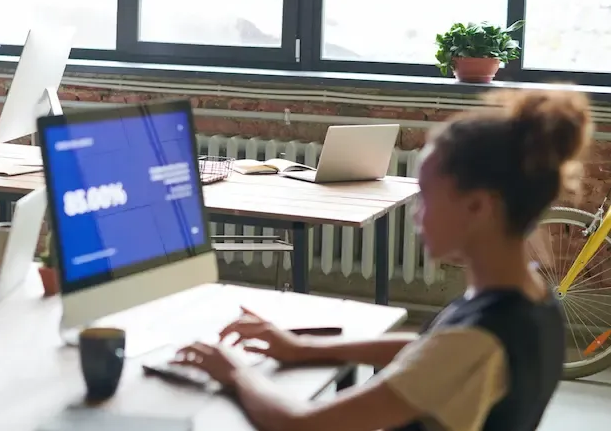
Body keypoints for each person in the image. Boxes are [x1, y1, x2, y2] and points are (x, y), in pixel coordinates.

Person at [172, 89, 589, 431]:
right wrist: (301, 348)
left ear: (478, 207)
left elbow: (300, 423)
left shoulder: (478, 339)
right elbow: (430, 348)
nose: (417, 216)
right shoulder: (531, 294)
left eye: (427, 199)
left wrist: (233, 373)